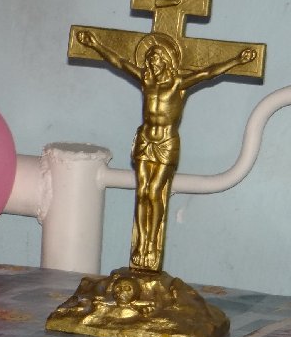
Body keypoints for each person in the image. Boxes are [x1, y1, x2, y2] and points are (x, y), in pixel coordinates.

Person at [75, 30, 257, 272]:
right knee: (143, 192)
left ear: (166, 62)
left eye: (156, 59)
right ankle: (141, 245)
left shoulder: (178, 84)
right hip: (145, 140)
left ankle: (151, 244)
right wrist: (95, 44)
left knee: (155, 193)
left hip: (166, 143)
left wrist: (237, 60)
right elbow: (119, 62)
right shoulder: (146, 81)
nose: (152, 63)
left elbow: (207, 73)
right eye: (149, 60)